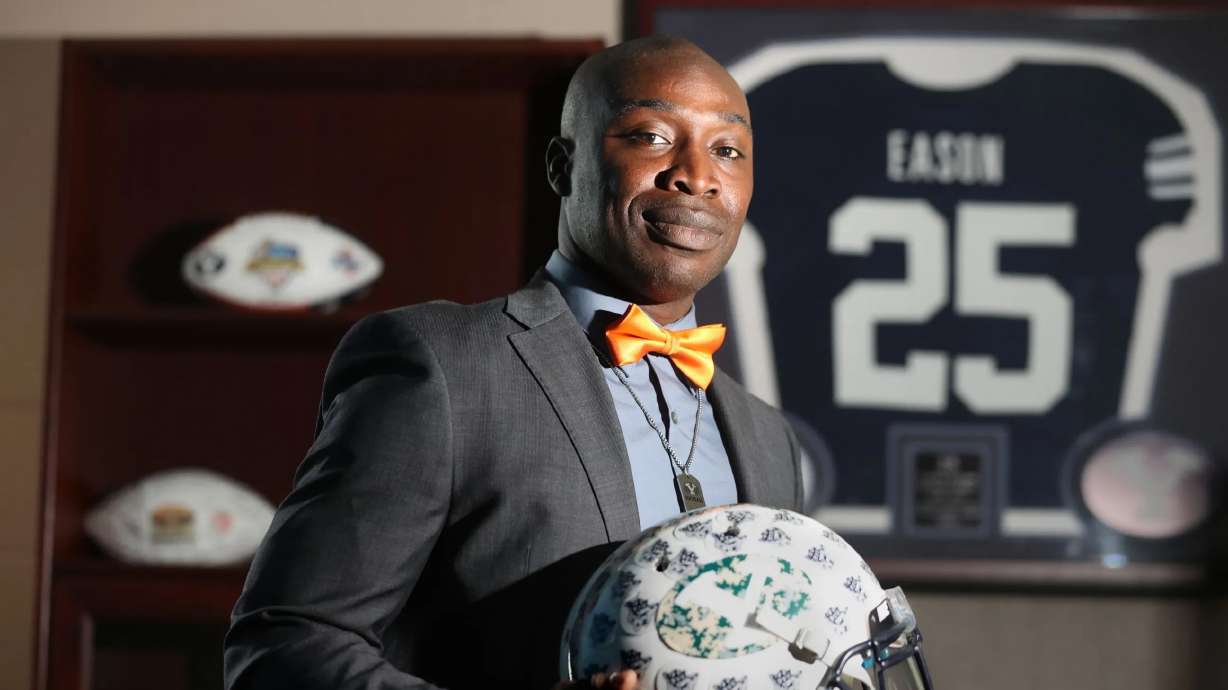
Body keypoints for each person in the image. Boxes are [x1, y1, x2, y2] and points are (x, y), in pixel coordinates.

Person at [223, 36, 802, 690]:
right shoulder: (443, 365)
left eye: (727, 150)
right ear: (563, 165)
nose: (696, 175)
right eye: (651, 136)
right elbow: (283, 647)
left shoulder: (767, 438)